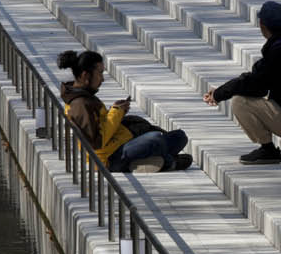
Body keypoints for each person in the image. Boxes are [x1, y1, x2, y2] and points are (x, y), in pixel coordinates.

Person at [203, 0, 281, 164]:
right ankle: (267, 149)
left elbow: (256, 85)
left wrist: (220, 93)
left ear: (262, 25)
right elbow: (258, 78)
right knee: (242, 95)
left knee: (240, 102)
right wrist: (222, 91)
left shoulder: (280, 51)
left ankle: (267, 149)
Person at [58, 49, 191, 174]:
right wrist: (116, 112)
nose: (102, 79)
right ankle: (168, 162)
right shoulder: (79, 105)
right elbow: (96, 143)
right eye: (100, 73)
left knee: (179, 137)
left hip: (120, 143)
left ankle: (146, 162)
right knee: (155, 139)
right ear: (85, 75)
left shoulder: (85, 98)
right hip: (108, 158)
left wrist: (118, 112)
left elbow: (103, 124)